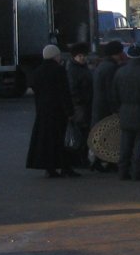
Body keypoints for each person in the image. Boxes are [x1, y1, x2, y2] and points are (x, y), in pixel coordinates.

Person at [26, 45, 78, 178]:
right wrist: (70, 111)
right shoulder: (59, 70)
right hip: (58, 111)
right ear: (55, 56)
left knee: (46, 141)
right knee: (62, 140)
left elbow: (35, 91)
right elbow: (64, 92)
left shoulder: (37, 71)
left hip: (43, 112)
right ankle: (66, 166)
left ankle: (50, 167)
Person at [112, 45, 140, 181]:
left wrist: (119, 109)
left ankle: (122, 171)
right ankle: (138, 172)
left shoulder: (120, 72)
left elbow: (114, 94)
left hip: (125, 111)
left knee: (125, 144)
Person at [90, 40, 124, 171]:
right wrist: (115, 108)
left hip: (99, 105)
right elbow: (112, 90)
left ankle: (97, 161)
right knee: (109, 135)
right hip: (106, 108)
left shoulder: (102, 66)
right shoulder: (111, 68)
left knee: (100, 134)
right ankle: (107, 162)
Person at [65, 42, 93, 168]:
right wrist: (82, 99)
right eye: (80, 56)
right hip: (80, 106)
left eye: (84, 55)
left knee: (83, 132)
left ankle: (81, 158)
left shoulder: (79, 68)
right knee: (80, 132)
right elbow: (73, 89)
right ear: (74, 57)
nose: (82, 58)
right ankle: (79, 159)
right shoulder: (74, 70)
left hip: (83, 105)